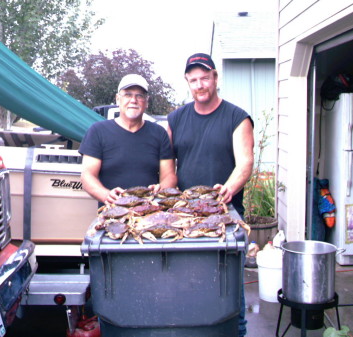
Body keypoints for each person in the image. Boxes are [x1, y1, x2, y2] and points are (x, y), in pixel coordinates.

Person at [167, 53, 254, 337]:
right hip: (184, 216)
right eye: (194, 80)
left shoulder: (237, 117)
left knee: (228, 286)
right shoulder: (175, 118)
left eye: (205, 77)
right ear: (187, 83)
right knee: (184, 281)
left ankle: (236, 331)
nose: (200, 84)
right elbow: (165, 167)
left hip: (224, 213)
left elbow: (245, 163)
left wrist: (227, 190)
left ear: (215, 78)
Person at [79, 74, 177, 205]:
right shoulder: (98, 131)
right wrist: (106, 195)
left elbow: (169, 175)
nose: (133, 100)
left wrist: (162, 189)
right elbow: (87, 176)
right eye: (128, 95)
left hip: (149, 215)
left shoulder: (159, 133)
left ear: (146, 102)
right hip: (111, 215)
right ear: (118, 99)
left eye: (139, 95)